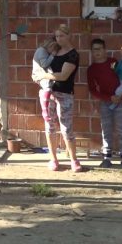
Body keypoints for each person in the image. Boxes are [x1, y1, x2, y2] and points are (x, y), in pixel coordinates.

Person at [33, 24, 83, 173]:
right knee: (49, 126)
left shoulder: (73, 55)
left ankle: (74, 160)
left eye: (62, 36)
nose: (59, 39)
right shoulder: (54, 51)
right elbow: (41, 65)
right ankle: (53, 159)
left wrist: (43, 75)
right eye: (57, 36)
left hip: (65, 93)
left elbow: (63, 76)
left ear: (69, 36)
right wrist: (37, 76)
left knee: (66, 128)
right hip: (49, 92)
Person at [87, 38, 122, 168]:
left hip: (120, 101)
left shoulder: (113, 63)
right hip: (105, 102)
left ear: (105, 50)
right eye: (94, 50)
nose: (96, 52)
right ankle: (107, 158)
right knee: (106, 130)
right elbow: (92, 89)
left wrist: (121, 95)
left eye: (99, 49)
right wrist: (107, 97)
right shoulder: (92, 69)